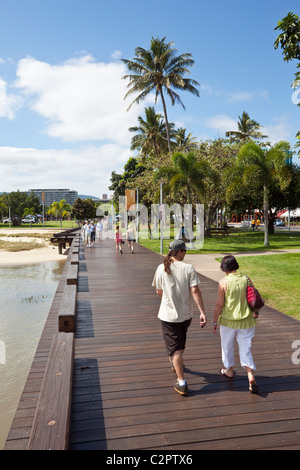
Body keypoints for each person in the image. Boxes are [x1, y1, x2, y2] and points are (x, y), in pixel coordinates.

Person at [152, 239, 207, 396]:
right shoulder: (188, 268)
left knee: (176, 348)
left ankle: (182, 382)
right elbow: (195, 291)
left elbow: (159, 291)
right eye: (185, 251)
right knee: (179, 345)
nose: (186, 253)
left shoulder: (161, 268)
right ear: (180, 252)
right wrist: (202, 312)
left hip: (168, 315)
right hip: (185, 314)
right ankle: (177, 366)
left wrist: (168, 301)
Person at [212, 255, 259, 394]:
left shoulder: (223, 282)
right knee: (246, 348)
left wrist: (214, 321)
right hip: (246, 321)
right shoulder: (246, 278)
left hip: (228, 321)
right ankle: (250, 376)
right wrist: (255, 312)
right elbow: (254, 297)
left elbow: (220, 304)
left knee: (227, 346)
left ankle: (228, 370)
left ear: (224, 268)